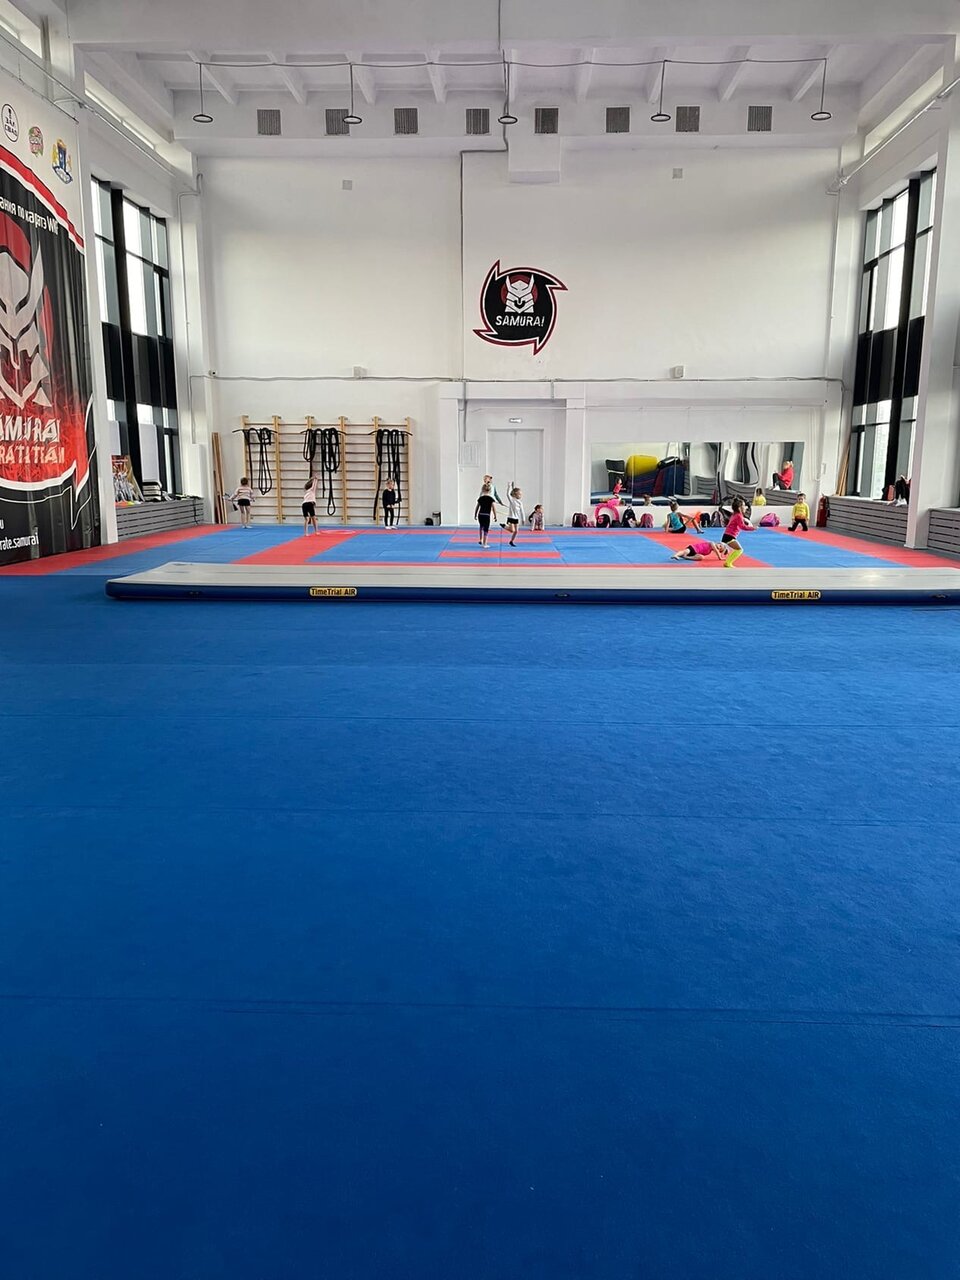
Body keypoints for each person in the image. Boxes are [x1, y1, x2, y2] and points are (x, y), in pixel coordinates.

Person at [719, 495, 754, 566]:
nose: (745, 507)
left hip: (728, 535)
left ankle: (727, 562)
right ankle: (728, 563)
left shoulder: (735, 514)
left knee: (738, 549)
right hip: (729, 536)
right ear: (739, 508)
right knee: (739, 550)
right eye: (744, 506)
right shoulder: (738, 516)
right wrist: (753, 528)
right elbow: (743, 527)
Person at [475, 483, 496, 547]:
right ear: (490, 491)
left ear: (482, 490)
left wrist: (475, 514)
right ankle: (485, 544)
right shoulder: (491, 499)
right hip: (487, 515)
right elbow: (493, 508)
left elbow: (477, 507)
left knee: (481, 526)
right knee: (486, 529)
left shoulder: (480, 498)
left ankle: (481, 539)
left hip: (480, 515)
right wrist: (495, 516)